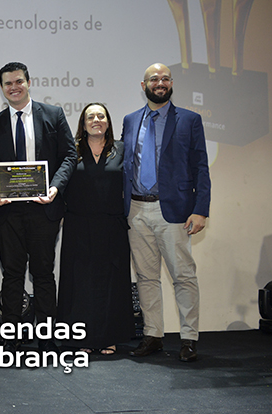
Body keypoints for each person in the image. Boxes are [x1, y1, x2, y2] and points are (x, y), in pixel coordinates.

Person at [0, 62, 77, 353]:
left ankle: (47, 337)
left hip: (43, 209)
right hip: (8, 213)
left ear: (28, 82)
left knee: (43, 274)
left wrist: (55, 187)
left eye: (18, 81)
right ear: (2, 88)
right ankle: (10, 337)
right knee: (12, 274)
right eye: (8, 83)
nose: (14, 87)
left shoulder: (53, 114)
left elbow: (69, 156)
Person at [123, 63, 211, 362]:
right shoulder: (130, 120)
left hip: (173, 210)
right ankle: (153, 335)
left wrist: (201, 210)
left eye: (165, 79)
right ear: (143, 85)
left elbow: (201, 167)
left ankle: (189, 338)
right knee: (146, 277)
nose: (160, 83)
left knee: (183, 277)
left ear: (171, 83)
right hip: (136, 209)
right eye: (154, 79)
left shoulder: (189, 119)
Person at [56, 103, 134, 355]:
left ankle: (109, 337)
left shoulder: (121, 149)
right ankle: (82, 338)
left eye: (101, 116)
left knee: (112, 283)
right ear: (83, 123)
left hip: (112, 227)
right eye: (91, 117)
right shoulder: (71, 150)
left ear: (108, 122)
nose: (96, 120)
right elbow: (59, 181)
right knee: (80, 283)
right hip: (78, 226)